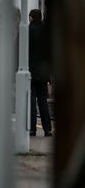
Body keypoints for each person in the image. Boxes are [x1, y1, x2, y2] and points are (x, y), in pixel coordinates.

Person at [28, 9, 53, 137]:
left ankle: (32, 129)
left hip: (30, 72)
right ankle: (47, 129)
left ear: (31, 18)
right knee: (43, 101)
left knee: (31, 101)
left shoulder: (27, 31)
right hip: (43, 73)